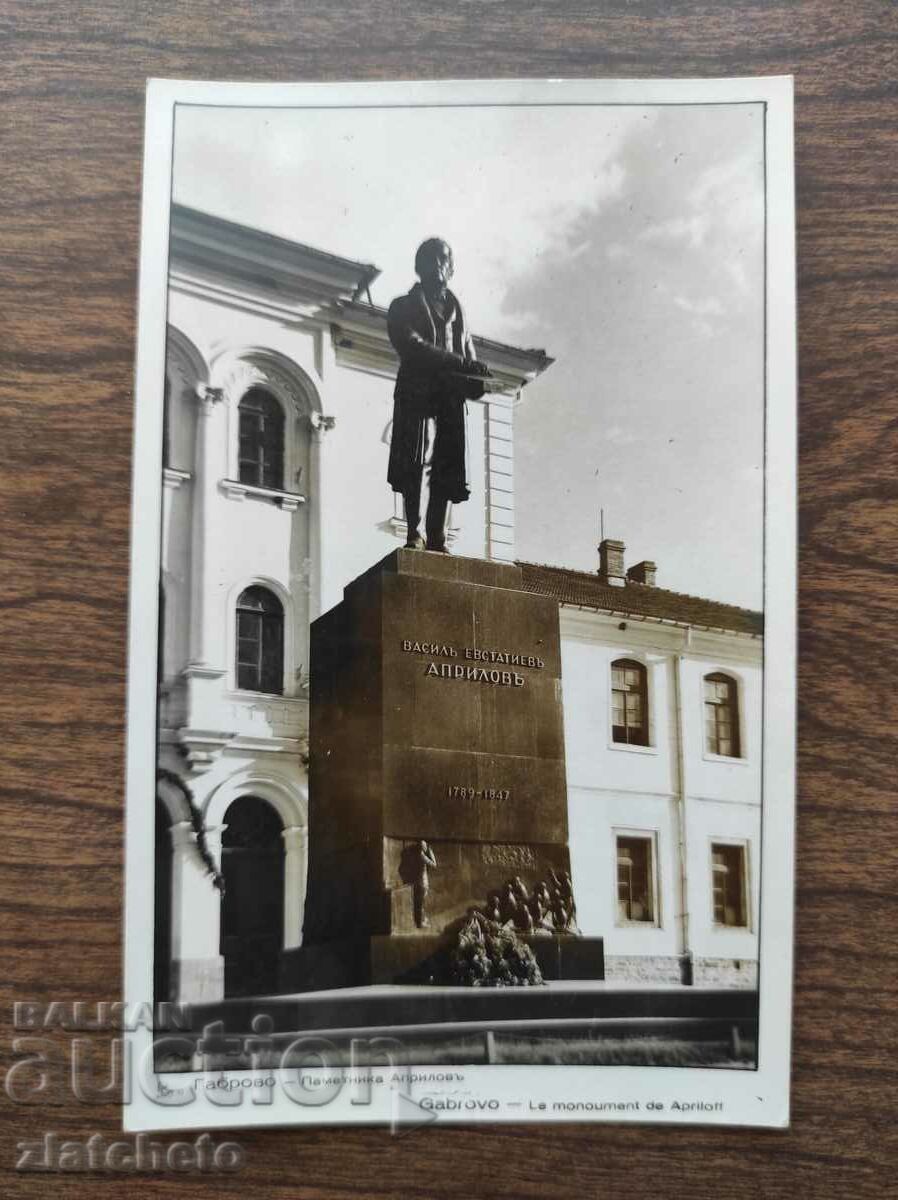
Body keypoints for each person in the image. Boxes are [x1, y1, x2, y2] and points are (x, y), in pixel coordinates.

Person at [387, 238, 491, 552]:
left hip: (449, 398)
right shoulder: (402, 307)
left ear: (452, 268)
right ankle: (414, 534)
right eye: (432, 259)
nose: (439, 265)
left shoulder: (458, 313)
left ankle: (437, 537)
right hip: (417, 394)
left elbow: (470, 357)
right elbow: (412, 345)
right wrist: (460, 363)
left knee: (446, 466)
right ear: (420, 267)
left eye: (444, 259)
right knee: (418, 460)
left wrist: (478, 379)